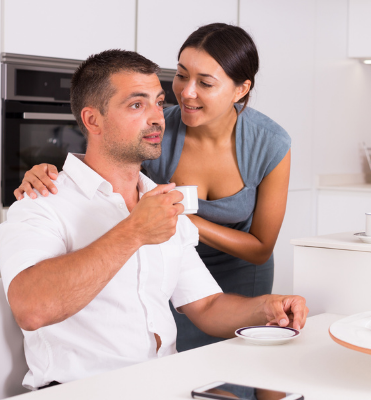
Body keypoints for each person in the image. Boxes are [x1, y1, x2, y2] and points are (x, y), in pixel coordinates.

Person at [0, 49, 307, 390]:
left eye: (159, 102)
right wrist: (134, 231)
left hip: (164, 384)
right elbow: (31, 309)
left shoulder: (159, 201)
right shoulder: (42, 202)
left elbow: (206, 305)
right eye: (136, 105)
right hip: (82, 390)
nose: (158, 117)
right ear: (92, 120)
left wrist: (268, 309)